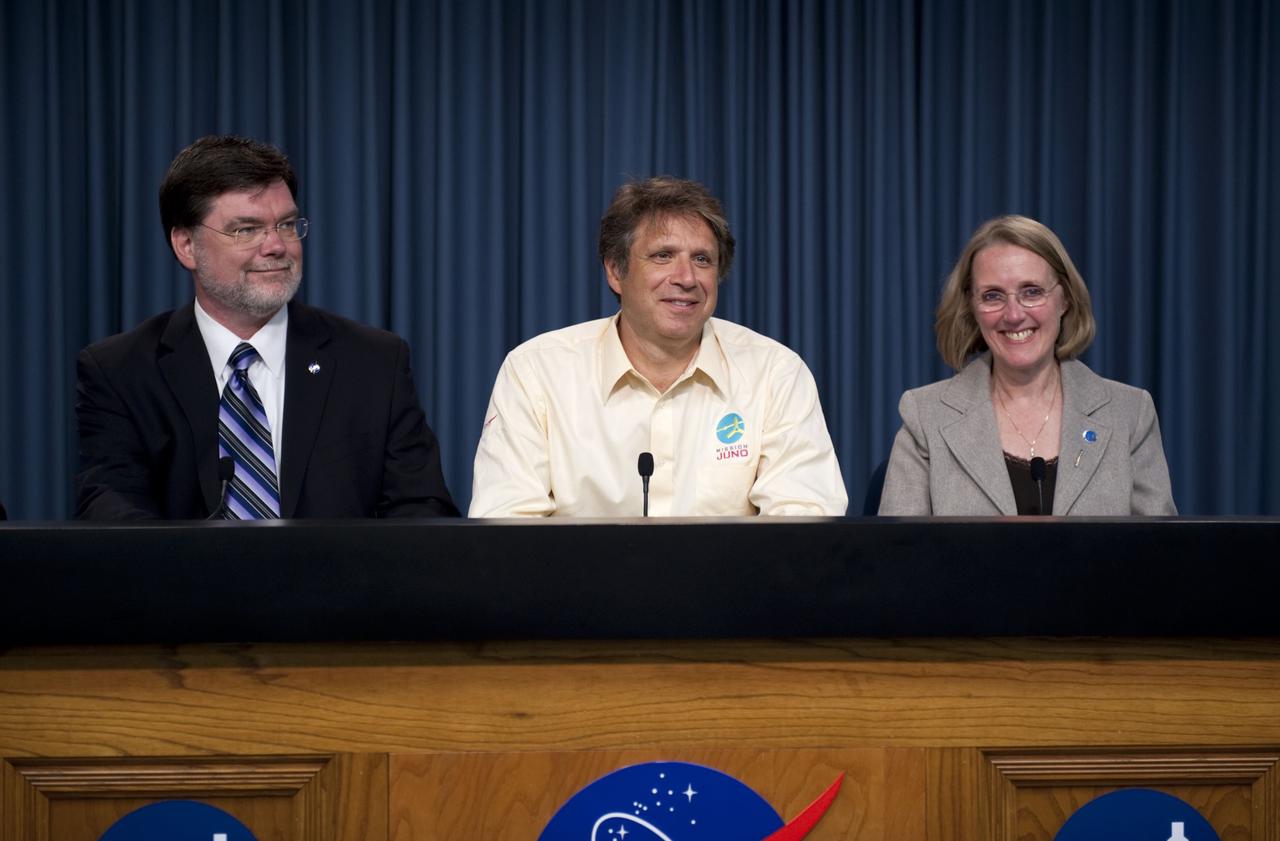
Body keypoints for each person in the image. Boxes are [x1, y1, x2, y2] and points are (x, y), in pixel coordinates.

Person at [76, 135, 458, 519]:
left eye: (287, 225)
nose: (277, 246)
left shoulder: (373, 362)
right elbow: (112, 509)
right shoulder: (121, 371)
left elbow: (421, 511)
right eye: (247, 229)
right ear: (186, 245)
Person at [469, 176, 847, 517]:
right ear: (615, 271)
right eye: (663, 256)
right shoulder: (536, 372)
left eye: (702, 260)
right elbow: (508, 528)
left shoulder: (775, 372)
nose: (686, 278)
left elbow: (804, 529)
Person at [879, 215, 1176, 516]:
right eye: (992, 296)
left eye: (1032, 291)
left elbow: (1163, 556)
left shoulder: (1129, 414)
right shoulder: (925, 416)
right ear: (972, 307)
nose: (1013, 314)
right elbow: (896, 557)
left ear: (1065, 299)